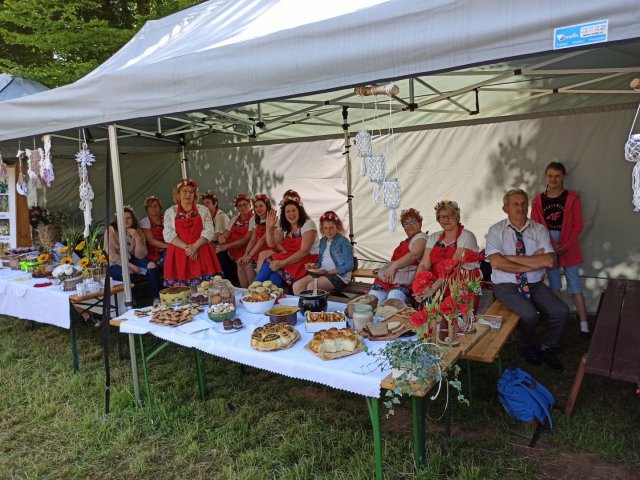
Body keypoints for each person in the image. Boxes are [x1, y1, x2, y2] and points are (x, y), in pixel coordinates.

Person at [486, 189, 569, 370]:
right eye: (515, 204)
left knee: (561, 311)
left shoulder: (539, 230)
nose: (521, 207)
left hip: (534, 284)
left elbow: (549, 260)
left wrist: (510, 257)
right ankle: (527, 346)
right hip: (506, 285)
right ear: (505, 208)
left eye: (524, 203)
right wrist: (533, 262)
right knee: (530, 316)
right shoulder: (495, 231)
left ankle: (547, 347)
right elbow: (497, 263)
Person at [531, 162, 590, 340]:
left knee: (575, 287)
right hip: (549, 246)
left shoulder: (572, 198)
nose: (553, 179)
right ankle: (558, 321)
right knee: (555, 286)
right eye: (550, 176)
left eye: (557, 176)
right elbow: (535, 226)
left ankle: (584, 324)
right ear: (545, 177)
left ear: (563, 177)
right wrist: (550, 246)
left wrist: (565, 245)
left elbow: (577, 225)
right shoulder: (537, 200)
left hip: (569, 246)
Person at [416, 200, 481, 304]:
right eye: (442, 216)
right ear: (438, 219)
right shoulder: (434, 237)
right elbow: (424, 264)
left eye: (450, 215)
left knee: (457, 313)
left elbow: (451, 267)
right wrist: (418, 286)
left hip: (464, 284)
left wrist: (432, 290)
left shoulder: (467, 236)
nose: (446, 219)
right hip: (439, 283)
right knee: (429, 310)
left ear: (457, 216)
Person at [163, 179, 222, 287]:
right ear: (178, 194)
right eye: (185, 191)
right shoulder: (170, 211)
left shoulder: (203, 210)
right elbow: (168, 234)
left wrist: (195, 246)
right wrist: (189, 248)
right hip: (179, 253)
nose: (188, 194)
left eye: (191, 192)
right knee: (183, 292)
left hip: (201, 250)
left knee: (206, 288)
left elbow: (209, 231)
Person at [255, 191, 319, 288]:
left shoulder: (308, 224)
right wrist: (269, 227)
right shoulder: (285, 226)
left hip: (307, 262)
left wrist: (282, 263)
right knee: (273, 278)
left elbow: (304, 252)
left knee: (270, 263)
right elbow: (271, 244)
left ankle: (253, 290)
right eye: (287, 211)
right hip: (291, 260)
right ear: (284, 213)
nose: (291, 214)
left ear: (299, 211)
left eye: (293, 210)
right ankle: (259, 295)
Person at [369, 208, 428, 303]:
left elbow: (415, 255)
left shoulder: (421, 237)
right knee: (371, 301)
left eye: (412, 222)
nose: (409, 226)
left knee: (392, 301)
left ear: (420, 223)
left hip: (404, 283)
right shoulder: (406, 241)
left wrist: (394, 266)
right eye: (406, 224)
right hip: (389, 281)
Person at [104, 205, 161, 299]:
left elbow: (141, 256)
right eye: (122, 218)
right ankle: (131, 301)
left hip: (132, 259)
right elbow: (111, 255)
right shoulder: (111, 231)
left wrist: (137, 237)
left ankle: (156, 298)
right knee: (127, 272)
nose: (126, 221)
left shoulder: (137, 230)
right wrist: (129, 265)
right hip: (115, 263)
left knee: (152, 265)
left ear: (133, 218)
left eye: (128, 218)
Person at [293, 211, 354, 295]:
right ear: (322, 229)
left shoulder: (343, 241)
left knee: (311, 287)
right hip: (323, 273)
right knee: (297, 286)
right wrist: (314, 266)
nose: (328, 231)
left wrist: (328, 272)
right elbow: (321, 262)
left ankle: (315, 307)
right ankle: (302, 306)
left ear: (337, 227)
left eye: (331, 228)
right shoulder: (323, 241)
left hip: (338, 276)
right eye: (325, 228)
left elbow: (349, 265)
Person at [237, 194, 274, 288]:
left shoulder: (271, 218)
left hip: (271, 249)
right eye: (256, 206)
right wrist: (245, 254)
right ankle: (244, 291)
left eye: (261, 206)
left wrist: (249, 256)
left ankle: (254, 290)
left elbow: (262, 240)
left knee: (248, 266)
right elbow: (253, 239)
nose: (258, 209)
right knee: (241, 263)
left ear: (267, 206)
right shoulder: (254, 219)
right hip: (258, 249)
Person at [216, 194, 252, 285]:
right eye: (239, 205)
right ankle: (228, 282)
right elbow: (226, 234)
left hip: (246, 249)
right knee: (218, 252)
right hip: (233, 250)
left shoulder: (253, 219)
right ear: (236, 208)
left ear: (250, 205)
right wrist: (221, 238)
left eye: (245, 204)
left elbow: (245, 240)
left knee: (223, 251)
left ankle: (234, 281)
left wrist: (225, 246)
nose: (242, 207)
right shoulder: (234, 219)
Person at [139, 196, 167, 267]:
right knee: (167, 262)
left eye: (155, 206)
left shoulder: (166, 219)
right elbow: (151, 241)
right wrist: (169, 246)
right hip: (154, 252)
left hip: (167, 247)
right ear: (147, 209)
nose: (152, 208)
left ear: (160, 207)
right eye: (150, 207)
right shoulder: (145, 222)